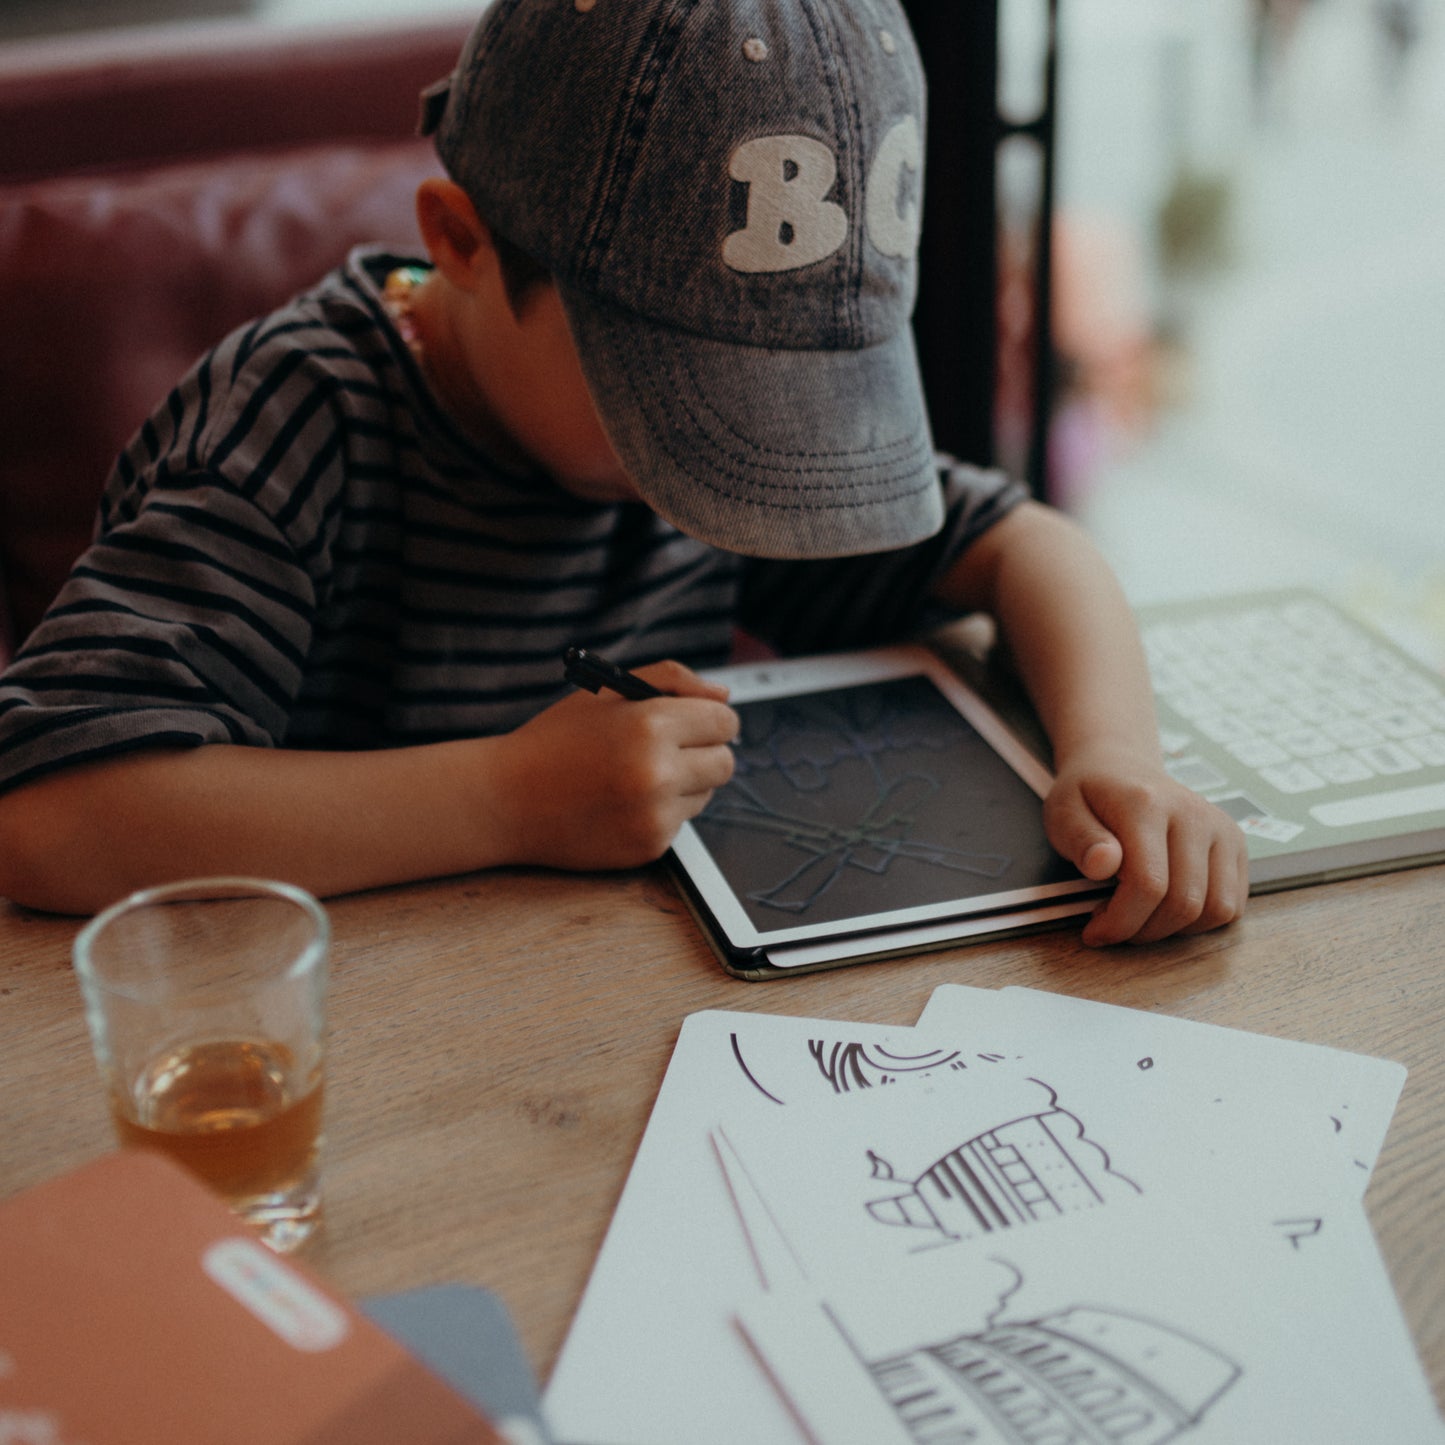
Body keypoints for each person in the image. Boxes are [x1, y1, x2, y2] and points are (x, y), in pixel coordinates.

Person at [0, 0, 1247, 943]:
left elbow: (1026, 542)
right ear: (461, 245)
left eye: (794, 404)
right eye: (683, 396)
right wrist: (503, 798)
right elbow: (50, 812)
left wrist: (1117, 753)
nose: (746, 464)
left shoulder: (722, 469)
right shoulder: (290, 428)